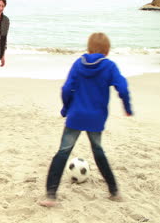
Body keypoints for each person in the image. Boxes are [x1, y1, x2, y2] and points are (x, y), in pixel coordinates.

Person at [39, 32, 133, 207]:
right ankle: (114, 191)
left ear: (89, 48)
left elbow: (66, 89)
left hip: (76, 115)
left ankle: (51, 195)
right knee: (98, 151)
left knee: (63, 152)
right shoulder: (110, 66)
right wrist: (127, 107)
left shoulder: (78, 64)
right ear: (107, 50)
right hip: (95, 119)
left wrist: (66, 108)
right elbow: (123, 88)